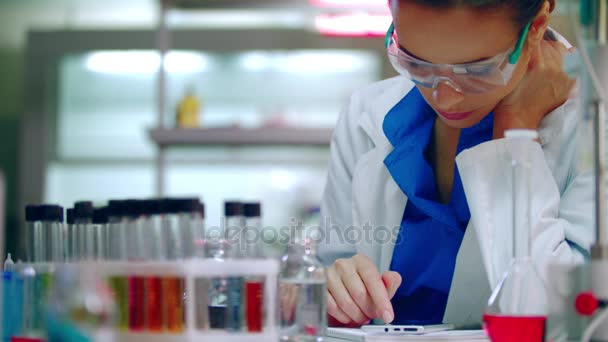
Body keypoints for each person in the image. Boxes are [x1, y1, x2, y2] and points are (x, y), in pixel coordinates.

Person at [317, 0, 594, 327]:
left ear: (535, 25)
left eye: (477, 70)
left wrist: (514, 132)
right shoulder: (367, 112)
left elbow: (570, 319)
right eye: (416, 62)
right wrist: (336, 291)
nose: (445, 98)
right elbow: (329, 280)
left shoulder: (594, 130)